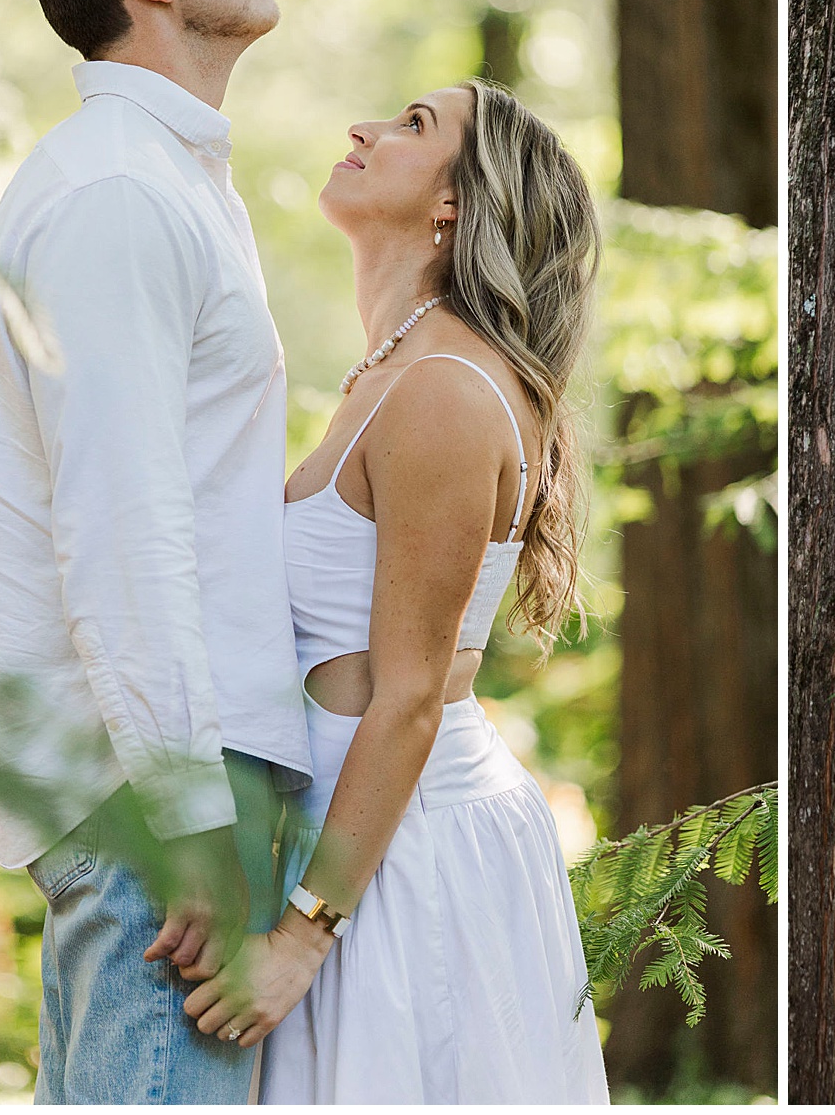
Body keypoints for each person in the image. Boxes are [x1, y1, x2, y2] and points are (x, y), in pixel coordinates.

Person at [0, 0, 312, 1102]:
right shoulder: (117, 192)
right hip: (160, 795)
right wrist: (191, 825)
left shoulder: (168, 177)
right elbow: (119, 523)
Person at [179, 80, 611, 1104]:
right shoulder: (394, 369)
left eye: (413, 125)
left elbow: (409, 691)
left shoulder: (444, 391)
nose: (361, 127)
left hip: (403, 849)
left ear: (454, 203)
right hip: (353, 825)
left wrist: (301, 935)